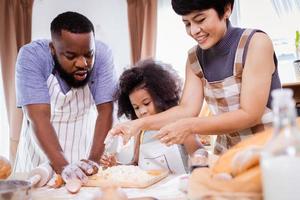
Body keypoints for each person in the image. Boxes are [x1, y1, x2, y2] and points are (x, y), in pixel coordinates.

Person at [109, 0, 281, 155]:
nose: (194, 31)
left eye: (200, 20)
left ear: (227, 9)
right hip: (228, 155)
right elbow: (186, 110)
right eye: (187, 23)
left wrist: (189, 125)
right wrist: (136, 124)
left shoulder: (256, 43)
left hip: (269, 151)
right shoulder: (194, 58)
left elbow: (250, 114)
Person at [14, 11, 117, 183]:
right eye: (71, 56)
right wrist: (63, 167)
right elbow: (38, 118)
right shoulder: (31, 57)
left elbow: (107, 111)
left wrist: (93, 162)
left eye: (89, 54)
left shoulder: (103, 55)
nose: (83, 63)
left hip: (84, 153)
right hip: (38, 158)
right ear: (53, 50)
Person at [101, 59, 203, 173]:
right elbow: (136, 164)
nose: (142, 111)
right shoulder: (141, 132)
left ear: (160, 96)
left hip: (176, 188)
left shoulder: (180, 125)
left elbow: (199, 154)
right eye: (136, 107)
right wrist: (116, 165)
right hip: (150, 190)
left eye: (146, 103)